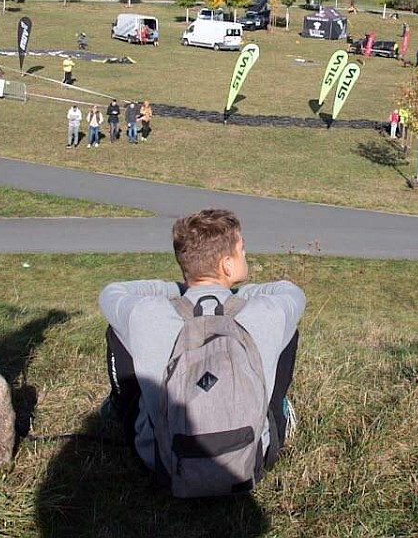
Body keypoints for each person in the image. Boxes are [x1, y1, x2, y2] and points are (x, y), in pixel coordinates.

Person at [98, 209, 305, 493]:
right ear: (227, 265)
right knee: (287, 333)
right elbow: (291, 292)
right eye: (242, 250)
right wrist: (233, 294)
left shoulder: (146, 314)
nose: (246, 255)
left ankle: (120, 408)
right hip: (252, 461)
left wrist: (184, 289)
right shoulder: (267, 312)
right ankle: (279, 412)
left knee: (118, 331)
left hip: (161, 463)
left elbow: (111, 293)